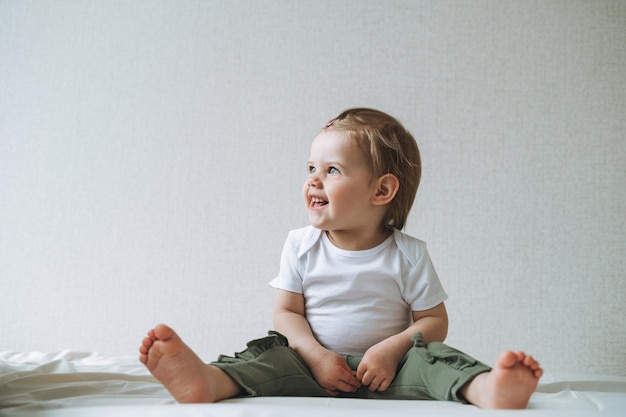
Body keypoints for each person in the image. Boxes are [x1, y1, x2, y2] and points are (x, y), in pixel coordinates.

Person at [139, 108, 542, 409]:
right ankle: (208, 382)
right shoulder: (301, 244)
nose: (313, 179)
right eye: (311, 167)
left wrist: (391, 350)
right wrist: (315, 356)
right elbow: (286, 314)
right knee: (268, 356)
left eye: (332, 170)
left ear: (381, 191)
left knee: (435, 362)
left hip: (391, 370)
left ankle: (486, 389)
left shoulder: (408, 253)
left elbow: (435, 322)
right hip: (309, 366)